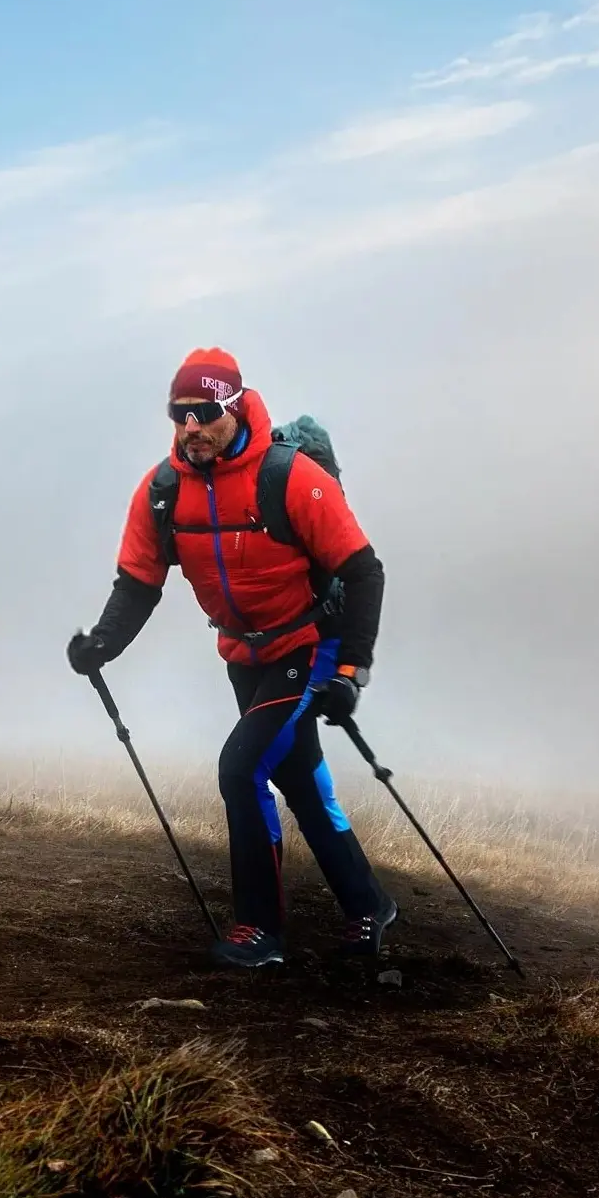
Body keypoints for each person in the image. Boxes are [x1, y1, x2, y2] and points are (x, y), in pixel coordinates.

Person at [67, 347, 395, 969]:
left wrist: (351, 671)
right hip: (244, 653)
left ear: (235, 408)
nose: (191, 427)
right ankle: (368, 904)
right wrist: (102, 644)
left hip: (309, 645)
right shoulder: (163, 491)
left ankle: (260, 930)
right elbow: (138, 582)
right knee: (298, 779)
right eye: (179, 414)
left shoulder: (291, 477)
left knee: (240, 768)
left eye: (204, 413)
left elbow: (363, 571)